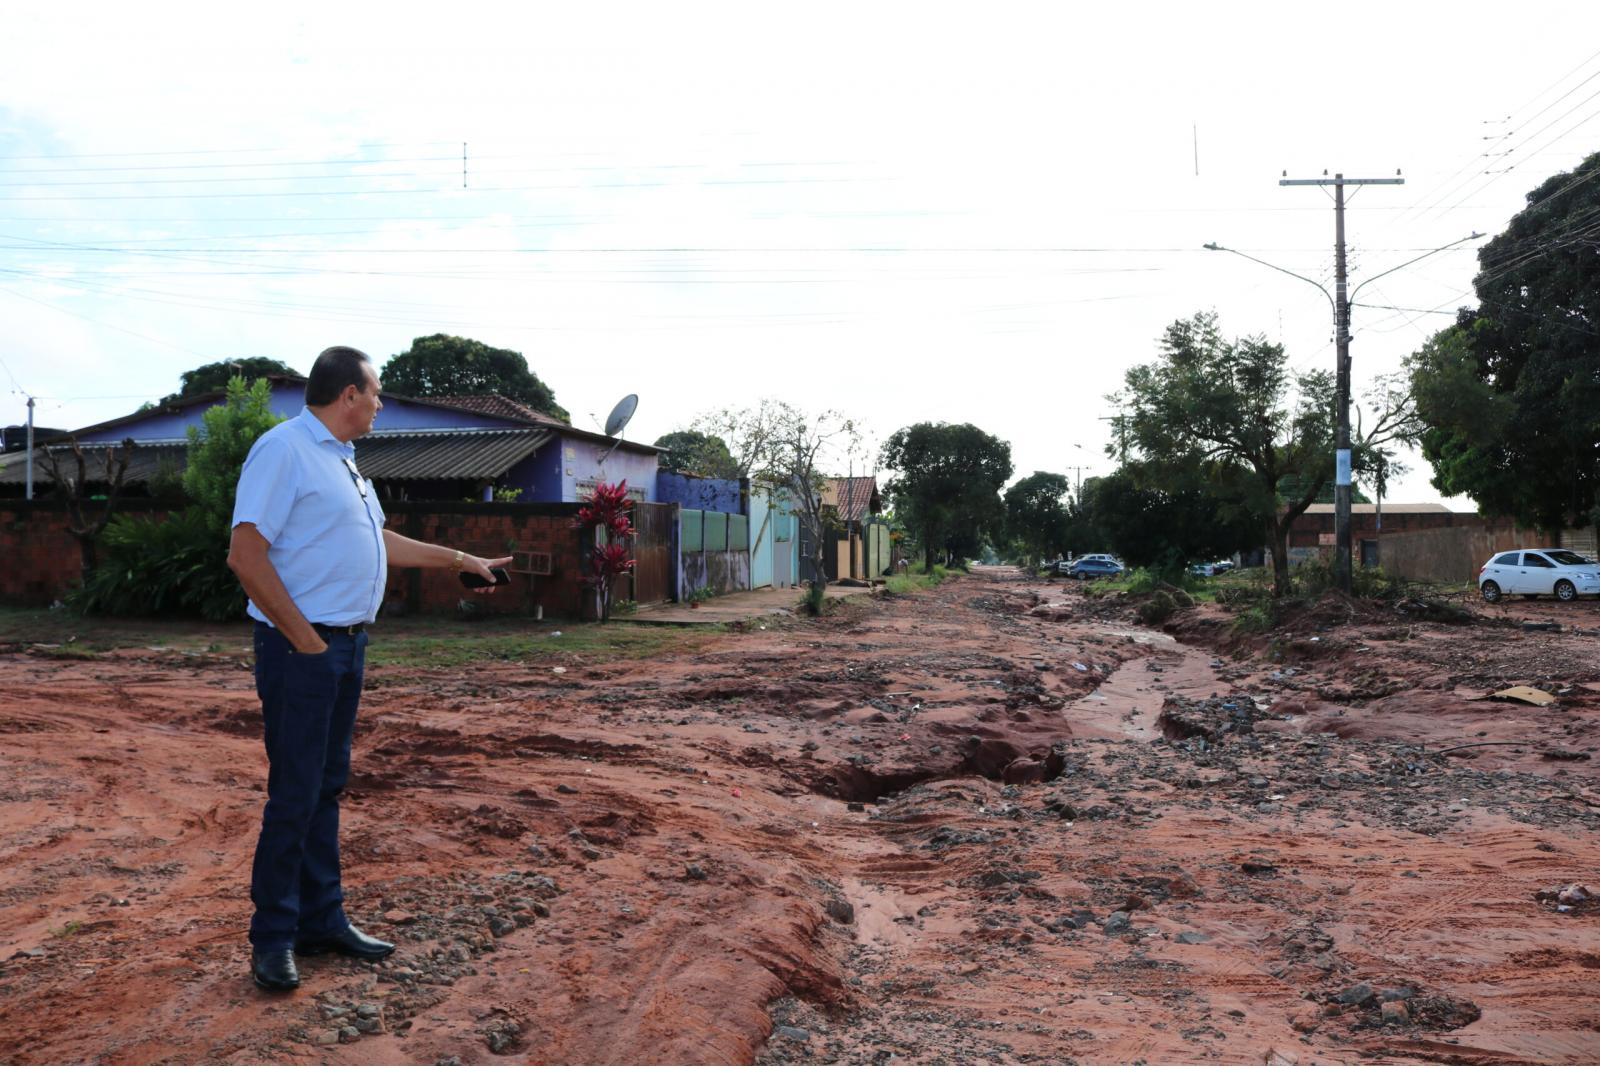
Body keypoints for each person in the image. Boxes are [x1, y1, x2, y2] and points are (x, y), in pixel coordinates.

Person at [227, 346, 511, 992]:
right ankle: (273, 937)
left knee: (325, 788)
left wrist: (460, 558)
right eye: (376, 392)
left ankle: (321, 921)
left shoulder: (344, 464)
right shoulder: (284, 450)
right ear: (348, 394)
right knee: (295, 793)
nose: (381, 403)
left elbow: (379, 540)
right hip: (304, 650)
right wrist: (305, 643)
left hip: (345, 646)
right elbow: (245, 555)